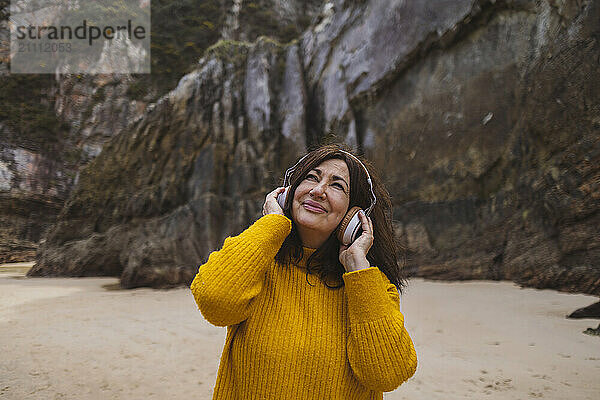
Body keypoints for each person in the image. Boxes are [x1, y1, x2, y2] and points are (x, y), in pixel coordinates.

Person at [190, 144, 417, 399]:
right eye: (312, 177)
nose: (318, 191)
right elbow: (215, 301)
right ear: (288, 194)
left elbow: (386, 374)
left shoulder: (371, 289)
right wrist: (273, 224)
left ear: (355, 215)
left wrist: (357, 266)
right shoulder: (258, 266)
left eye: (337, 185)